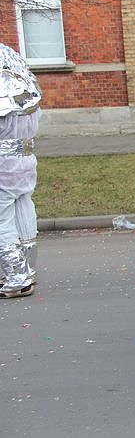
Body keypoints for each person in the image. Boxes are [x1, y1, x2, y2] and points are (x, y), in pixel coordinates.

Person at [0, 44, 42, 299]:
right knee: (23, 208)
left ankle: (17, 276)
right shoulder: (23, 87)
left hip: (3, 162)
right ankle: (27, 267)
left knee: (2, 220)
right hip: (25, 159)